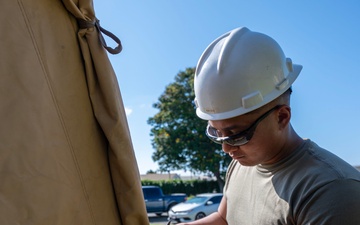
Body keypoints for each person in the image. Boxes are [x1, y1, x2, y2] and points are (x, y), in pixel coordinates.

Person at [178, 27, 360, 225]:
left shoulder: (331, 191)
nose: (226, 148)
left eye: (236, 134)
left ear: (282, 117)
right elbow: (223, 219)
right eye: (215, 132)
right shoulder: (240, 164)